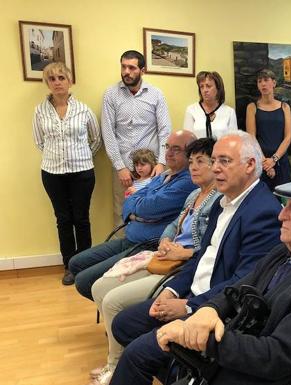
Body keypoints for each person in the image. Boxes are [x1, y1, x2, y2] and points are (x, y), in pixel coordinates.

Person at [110, 178, 291, 385]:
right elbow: (241, 286)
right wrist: (209, 310)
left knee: (144, 355)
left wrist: (200, 338)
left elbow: (276, 358)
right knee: (141, 352)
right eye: (285, 205)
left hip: (266, 372)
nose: (281, 216)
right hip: (243, 347)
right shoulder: (287, 251)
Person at [109, 131, 283, 382]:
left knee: (136, 356)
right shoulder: (223, 202)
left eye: (224, 161)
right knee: (124, 324)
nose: (216, 168)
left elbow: (246, 281)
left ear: (250, 165)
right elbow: (201, 256)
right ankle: (184, 370)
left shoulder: (262, 211)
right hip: (191, 295)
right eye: (214, 161)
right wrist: (172, 291)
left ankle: (188, 369)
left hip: (215, 311)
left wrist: (190, 305)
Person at [88, 138, 220, 385]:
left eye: (200, 161)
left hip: (180, 267)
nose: (193, 167)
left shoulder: (218, 201)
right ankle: (120, 355)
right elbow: (173, 224)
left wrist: (182, 253)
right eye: (191, 162)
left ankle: (116, 365)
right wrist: (165, 240)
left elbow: (210, 250)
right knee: (98, 287)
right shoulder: (193, 194)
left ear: (216, 165)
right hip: (162, 256)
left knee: (113, 302)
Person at [68, 130, 198, 301]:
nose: (168, 152)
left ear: (190, 154)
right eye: (167, 147)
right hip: (129, 238)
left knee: (84, 281)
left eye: (176, 149)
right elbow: (129, 202)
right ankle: (111, 303)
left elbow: (148, 207)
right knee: (75, 263)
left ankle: (118, 307)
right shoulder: (163, 176)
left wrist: (137, 206)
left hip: (146, 245)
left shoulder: (187, 181)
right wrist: (137, 206)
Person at [33, 62, 101, 285]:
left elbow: (96, 140)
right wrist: (59, 158)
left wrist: (79, 156)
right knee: (63, 220)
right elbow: (39, 141)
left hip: (82, 172)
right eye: (52, 79)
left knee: (81, 218)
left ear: (69, 81)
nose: (57, 82)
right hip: (52, 173)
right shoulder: (40, 111)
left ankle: (85, 265)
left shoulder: (84, 110)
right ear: (47, 83)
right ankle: (69, 266)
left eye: (61, 77)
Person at [102, 50, 172, 229]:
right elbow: (108, 132)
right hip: (123, 169)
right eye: (123, 67)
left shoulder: (156, 94)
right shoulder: (111, 94)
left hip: (153, 168)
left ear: (142, 70)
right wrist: (120, 167)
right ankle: (122, 254)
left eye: (132, 67)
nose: (126, 72)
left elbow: (165, 130)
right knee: (122, 212)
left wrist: (162, 163)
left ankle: (149, 253)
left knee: (153, 211)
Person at [246, 69, 291, 191]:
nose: (263, 84)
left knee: (284, 201)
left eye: (266, 80)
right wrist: (265, 164)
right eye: (259, 81)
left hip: (281, 162)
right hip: (260, 163)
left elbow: (288, 137)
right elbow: (251, 138)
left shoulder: (285, 107)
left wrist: (274, 159)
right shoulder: (252, 107)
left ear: (274, 83)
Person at [182, 71, 237, 140]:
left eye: (208, 86)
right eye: (202, 87)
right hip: (197, 150)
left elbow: (233, 141)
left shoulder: (229, 112)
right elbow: (187, 140)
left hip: (222, 150)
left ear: (218, 88)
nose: (205, 90)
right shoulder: (191, 110)